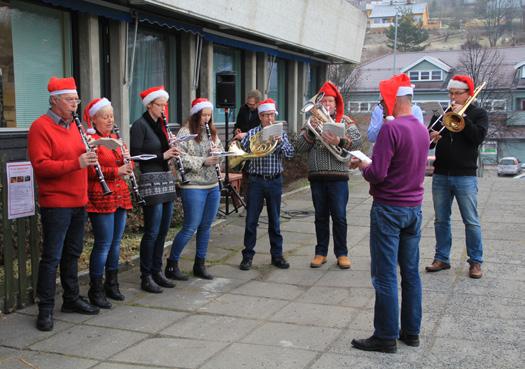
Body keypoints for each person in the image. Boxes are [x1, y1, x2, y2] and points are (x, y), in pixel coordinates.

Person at [351, 74, 429, 353]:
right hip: (413, 209)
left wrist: (362, 166)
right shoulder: (420, 128)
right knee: (410, 273)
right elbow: (407, 166)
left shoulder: (390, 130)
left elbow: (378, 174)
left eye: (385, 101)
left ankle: (385, 335)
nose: (382, 107)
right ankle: (411, 332)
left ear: (394, 100)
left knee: (384, 275)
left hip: (388, 208)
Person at [28, 76, 100, 331]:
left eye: (76, 100)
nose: (75, 105)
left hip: (79, 200)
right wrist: (76, 162)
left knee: (72, 253)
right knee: (52, 257)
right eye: (70, 100)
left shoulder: (76, 127)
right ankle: (45, 308)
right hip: (56, 202)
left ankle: (71, 299)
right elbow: (41, 167)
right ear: (55, 100)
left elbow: (78, 159)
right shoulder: (40, 127)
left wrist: (89, 154)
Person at [425, 75, 488, 279]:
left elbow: (477, 137)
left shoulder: (478, 113)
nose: (453, 97)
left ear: (468, 94)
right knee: (441, 220)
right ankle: (441, 258)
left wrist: (463, 118)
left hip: (465, 175)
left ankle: (476, 262)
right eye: (451, 93)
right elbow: (429, 142)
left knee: (471, 220)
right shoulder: (443, 113)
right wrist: (431, 137)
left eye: (457, 93)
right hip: (441, 173)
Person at [295, 81, 362, 269]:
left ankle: (342, 253)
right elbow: (299, 147)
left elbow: (357, 143)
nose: (327, 105)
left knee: (339, 216)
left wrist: (339, 140)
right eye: (324, 102)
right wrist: (310, 131)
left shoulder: (345, 120)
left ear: (336, 103)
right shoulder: (311, 122)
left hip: (338, 177)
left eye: (330, 101)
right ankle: (320, 252)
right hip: (317, 177)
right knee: (320, 216)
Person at [164, 98, 222, 281]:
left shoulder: (211, 132)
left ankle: (200, 264)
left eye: (209, 115)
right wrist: (203, 161)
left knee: (206, 227)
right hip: (193, 185)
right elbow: (178, 158)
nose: (206, 118)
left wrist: (218, 155)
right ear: (196, 115)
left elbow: (219, 151)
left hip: (212, 184)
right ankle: (172, 265)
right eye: (203, 115)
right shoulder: (185, 131)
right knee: (190, 226)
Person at [83, 98, 133, 308]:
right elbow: (89, 171)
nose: (110, 120)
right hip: (101, 195)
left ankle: (112, 284)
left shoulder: (115, 138)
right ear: (94, 119)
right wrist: (117, 171)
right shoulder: (89, 138)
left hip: (119, 193)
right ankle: (96, 289)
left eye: (111, 116)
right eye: (105, 116)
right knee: (103, 243)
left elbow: (124, 164)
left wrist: (127, 161)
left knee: (115, 242)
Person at [130, 86, 180, 293]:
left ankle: (157, 271)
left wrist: (174, 147)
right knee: (152, 230)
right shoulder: (140, 125)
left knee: (163, 229)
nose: (163, 109)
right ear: (150, 105)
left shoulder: (162, 125)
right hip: (150, 180)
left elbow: (164, 151)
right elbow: (135, 155)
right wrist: (163, 156)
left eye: (165, 105)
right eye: (160, 105)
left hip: (166, 179)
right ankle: (146, 275)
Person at [238, 98, 295, 271]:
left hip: (275, 180)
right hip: (256, 180)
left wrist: (280, 142)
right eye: (265, 116)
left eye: (271, 115)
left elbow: (290, 153)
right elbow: (245, 150)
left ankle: (277, 256)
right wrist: (256, 140)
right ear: (260, 116)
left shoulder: (281, 133)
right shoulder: (253, 132)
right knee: (251, 221)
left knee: (275, 221)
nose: (269, 119)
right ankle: (247, 256)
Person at [233, 89, 263, 195]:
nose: (249, 106)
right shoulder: (243, 109)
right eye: (248, 103)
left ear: (258, 103)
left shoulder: (262, 113)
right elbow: (237, 124)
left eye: (252, 104)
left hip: (254, 146)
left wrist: (246, 134)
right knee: (243, 172)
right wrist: (236, 130)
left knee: (251, 172)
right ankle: (243, 194)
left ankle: (251, 194)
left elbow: (262, 131)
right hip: (242, 145)